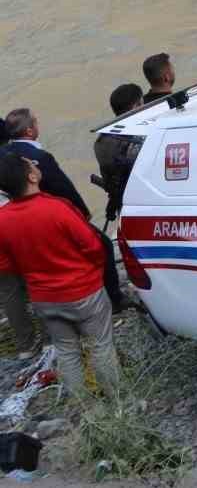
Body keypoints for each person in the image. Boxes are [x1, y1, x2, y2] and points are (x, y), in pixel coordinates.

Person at [0, 153, 120, 399]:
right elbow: (93, 245)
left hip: (44, 298)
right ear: (32, 177)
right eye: (31, 163)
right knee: (100, 345)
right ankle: (117, 403)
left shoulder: (3, 219)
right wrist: (94, 271)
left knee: (66, 351)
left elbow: (6, 264)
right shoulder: (57, 207)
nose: (35, 163)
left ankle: (86, 408)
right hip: (83, 290)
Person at [2, 109, 125, 310]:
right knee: (103, 245)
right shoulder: (40, 157)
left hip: (17, 218)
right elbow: (63, 188)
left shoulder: (4, 154)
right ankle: (114, 299)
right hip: (51, 214)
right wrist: (82, 213)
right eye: (36, 122)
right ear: (29, 130)